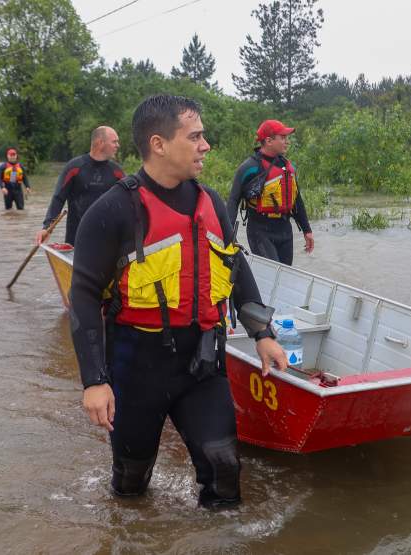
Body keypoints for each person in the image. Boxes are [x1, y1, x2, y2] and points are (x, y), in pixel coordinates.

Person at [70, 94, 286, 508]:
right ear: (159, 144)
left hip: (202, 360)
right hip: (136, 368)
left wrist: (262, 332)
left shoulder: (211, 203)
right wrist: (95, 380)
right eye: (196, 136)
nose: (206, 145)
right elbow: (82, 296)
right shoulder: (112, 211)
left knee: (225, 469)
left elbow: (233, 263)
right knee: (131, 486)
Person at [226, 119, 314, 266]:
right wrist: (227, 235)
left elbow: (297, 200)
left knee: (284, 277)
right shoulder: (249, 168)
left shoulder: (288, 167)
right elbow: (233, 201)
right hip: (260, 231)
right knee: (272, 274)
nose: (287, 142)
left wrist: (307, 230)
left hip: (285, 230)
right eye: (283, 138)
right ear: (268, 141)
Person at [35, 126, 125, 246]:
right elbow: (58, 198)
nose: (118, 145)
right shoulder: (74, 167)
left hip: (107, 239)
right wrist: (47, 228)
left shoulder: (117, 171)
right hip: (76, 239)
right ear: (100, 142)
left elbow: (129, 201)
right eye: (114, 141)